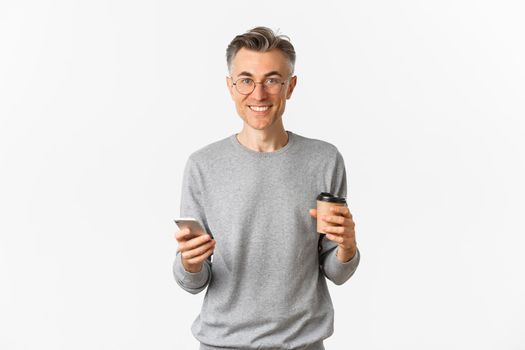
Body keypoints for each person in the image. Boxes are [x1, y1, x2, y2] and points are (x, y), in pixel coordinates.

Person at [173, 26, 360, 350]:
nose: (258, 94)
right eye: (246, 80)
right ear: (230, 87)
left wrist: (347, 247)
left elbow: (337, 272)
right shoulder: (203, 165)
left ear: (290, 86)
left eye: (272, 80)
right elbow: (194, 280)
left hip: (302, 343)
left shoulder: (324, 159)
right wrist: (189, 263)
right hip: (222, 342)